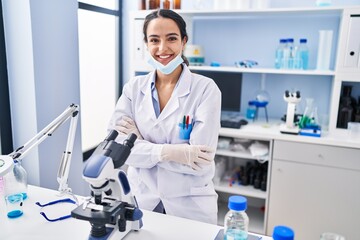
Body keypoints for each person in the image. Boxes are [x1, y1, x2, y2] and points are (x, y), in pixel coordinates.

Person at [107, 9, 221, 224]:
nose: (162, 48)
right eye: (154, 40)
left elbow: (200, 161)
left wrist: (140, 145)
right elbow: (116, 151)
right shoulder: (133, 89)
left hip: (190, 203)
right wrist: (173, 152)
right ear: (146, 44)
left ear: (183, 41)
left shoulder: (206, 89)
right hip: (141, 198)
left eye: (171, 38)